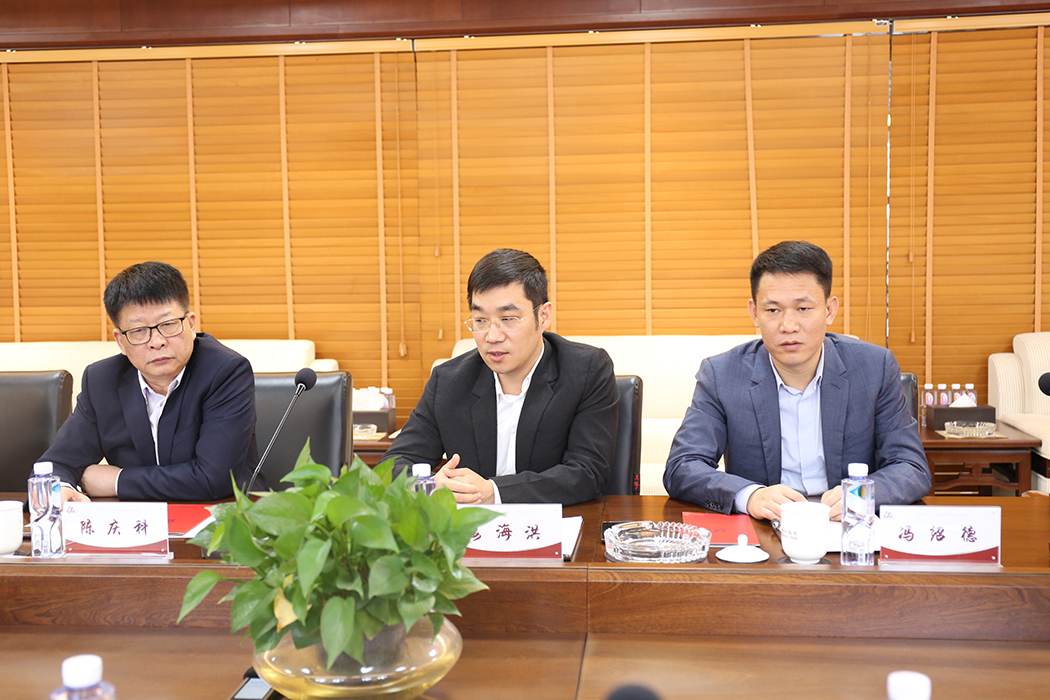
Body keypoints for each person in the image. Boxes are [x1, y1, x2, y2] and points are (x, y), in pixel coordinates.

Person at [664, 240, 930, 521]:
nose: (788, 326)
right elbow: (683, 466)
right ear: (754, 313)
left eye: (803, 309)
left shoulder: (874, 368)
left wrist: (861, 495)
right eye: (773, 310)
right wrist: (749, 495)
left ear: (829, 310)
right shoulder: (722, 375)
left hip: (847, 525)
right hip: (765, 527)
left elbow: (911, 466)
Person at [382, 248, 618, 505]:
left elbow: (587, 472)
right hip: (470, 525)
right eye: (480, 320)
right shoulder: (448, 381)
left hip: (557, 522)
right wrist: (428, 485)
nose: (492, 336)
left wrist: (495, 491)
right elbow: (392, 467)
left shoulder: (585, 370)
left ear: (543, 316)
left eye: (508, 318)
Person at [41, 261, 260, 503]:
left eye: (168, 325)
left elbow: (212, 479)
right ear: (120, 341)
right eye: (139, 331)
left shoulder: (225, 372)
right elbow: (55, 466)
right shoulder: (102, 380)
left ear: (191, 324)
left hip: (223, 516)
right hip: (135, 521)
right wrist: (61, 489)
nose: (157, 342)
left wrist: (117, 481)